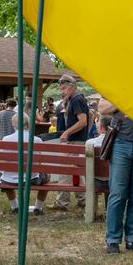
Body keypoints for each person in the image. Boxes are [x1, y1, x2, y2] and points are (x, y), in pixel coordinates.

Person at [98, 98, 133, 253]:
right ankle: (113, 240)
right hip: (121, 143)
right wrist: (127, 102)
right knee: (118, 193)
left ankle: (132, 238)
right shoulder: (121, 85)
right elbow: (102, 108)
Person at [0, 112, 50, 215]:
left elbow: (4, 160)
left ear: (14, 125)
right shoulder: (37, 140)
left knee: (5, 178)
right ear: (28, 124)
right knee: (47, 180)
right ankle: (37, 208)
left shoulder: (5, 139)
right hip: (31, 179)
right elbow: (42, 162)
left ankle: (15, 207)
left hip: (8, 179)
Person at [52, 75, 89, 210]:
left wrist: (67, 132)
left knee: (65, 171)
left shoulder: (77, 99)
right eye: (61, 89)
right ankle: (83, 199)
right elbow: (89, 116)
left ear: (72, 87)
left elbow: (83, 121)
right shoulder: (73, 100)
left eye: (64, 89)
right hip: (78, 140)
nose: (62, 92)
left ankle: (62, 203)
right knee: (76, 171)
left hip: (75, 141)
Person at [85, 114, 111, 195]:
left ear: (100, 127)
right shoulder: (117, 143)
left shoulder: (90, 143)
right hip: (113, 181)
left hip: (94, 181)